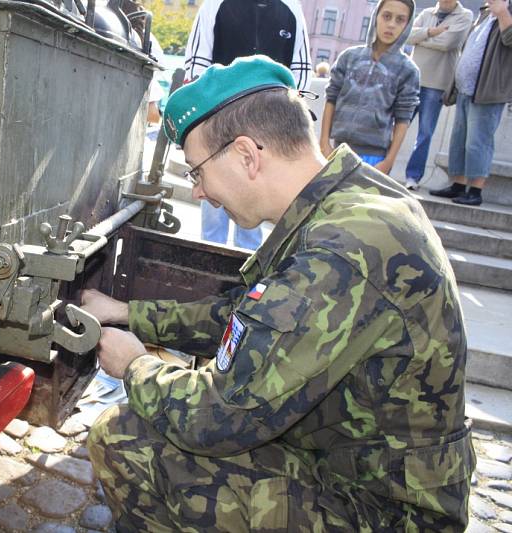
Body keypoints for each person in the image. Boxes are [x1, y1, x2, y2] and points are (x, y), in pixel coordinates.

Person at [82, 56, 473, 532]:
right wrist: (128, 313)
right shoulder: (345, 204)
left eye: (197, 171)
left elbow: (217, 416)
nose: (200, 192)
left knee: (125, 439)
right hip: (347, 462)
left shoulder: (344, 251)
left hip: (383, 511)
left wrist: (134, 364)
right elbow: (242, 318)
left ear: (247, 155)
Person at [183, 0, 310, 251]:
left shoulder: (291, 8)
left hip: (267, 131)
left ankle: (249, 270)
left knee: (256, 213)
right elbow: (197, 66)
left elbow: (300, 73)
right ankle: (207, 261)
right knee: (213, 211)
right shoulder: (215, 4)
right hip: (217, 127)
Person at [319, 0, 420, 174]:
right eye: (386, 16)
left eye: (400, 20)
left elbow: (403, 118)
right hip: (338, 150)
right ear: (376, 17)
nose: (391, 24)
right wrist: (324, 143)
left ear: (408, 24)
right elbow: (331, 98)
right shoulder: (349, 57)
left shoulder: (408, 70)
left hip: (374, 158)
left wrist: (388, 161)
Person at [430, 0, 512, 206]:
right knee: (459, 140)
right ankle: (458, 184)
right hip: (466, 88)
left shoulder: (505, 13)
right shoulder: (485, 13)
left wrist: (503, 14)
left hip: (487, 91)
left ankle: (475, 190)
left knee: (478, 142)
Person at [404, 0, 473, 190]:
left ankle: (413, 177)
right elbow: (405, 35)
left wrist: (421, 36)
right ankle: (382, 171)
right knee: (395, 128)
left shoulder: (465, 16)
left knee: (425, 134)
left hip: (437, 84)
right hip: (412, 80)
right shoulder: (426, 12)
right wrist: (431, 32)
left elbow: (450, 43)